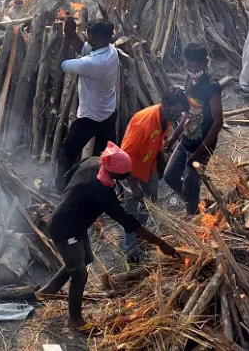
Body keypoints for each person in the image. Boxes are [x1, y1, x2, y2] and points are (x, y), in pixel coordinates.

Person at [37, 142, 178, 332]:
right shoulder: (102, 193)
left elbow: (67, 177)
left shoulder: (93, 161)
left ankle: (50, 290)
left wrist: (77, 200)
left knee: (86, 258)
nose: (127, 177)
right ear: (115, 174)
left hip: (75, 222)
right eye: (125, 175)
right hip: (65, 229)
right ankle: (75, 319)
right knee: (79, 275)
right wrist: (160, 243)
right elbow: (128, 222)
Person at [119, 87, 189, 259]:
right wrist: (133, 186)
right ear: (165, 105)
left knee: (150, 204)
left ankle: (142, 237)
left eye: (180, 112)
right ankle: (130, 250)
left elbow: (157, 141)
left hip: (149, 167)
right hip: (131, 171)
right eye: (175, 111)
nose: (177, 116)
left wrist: (159, 163)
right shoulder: (145, 123)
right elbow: (123, 156)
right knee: (131, 211)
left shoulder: (166, 117)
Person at [54, 18, 120, 192]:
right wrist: (72, 33)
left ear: (97, 37)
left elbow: (60, 64)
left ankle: (60, 188)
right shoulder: (111, 51)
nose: (86, 35)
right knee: (107, 154)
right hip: (107, 113)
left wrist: (67, 38)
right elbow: (83, 48)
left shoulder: (93, 64)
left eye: (89, 34)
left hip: (90, 117)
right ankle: (109, 186)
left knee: (67, 153)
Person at [163, 42, 222, 216]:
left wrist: (199, 153)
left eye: (196, 65)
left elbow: (218, 122)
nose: (192, 68)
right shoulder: (189, 79)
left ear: (205, 62)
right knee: (170, 176)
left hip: (202, 144)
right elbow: (187, 114)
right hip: (186, 139)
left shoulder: (211, 86)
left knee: (191, 181)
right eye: (189, 65)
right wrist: (174, 138)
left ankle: (193, 214)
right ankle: (193, 205)